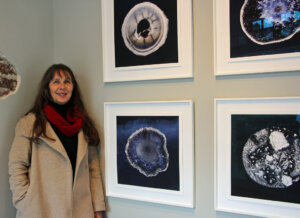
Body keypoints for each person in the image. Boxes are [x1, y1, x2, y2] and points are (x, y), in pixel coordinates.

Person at [8, 64, 106, 218]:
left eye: (67, 81)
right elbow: (17, 165)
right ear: (47, 88)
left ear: (73, 87)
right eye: (56, 81)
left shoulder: (83, 124)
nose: (62, 86)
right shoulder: (30, 123)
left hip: (80, 210)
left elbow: (93, 169)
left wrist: (97, 207)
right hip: (41, 209)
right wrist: (23, 200)